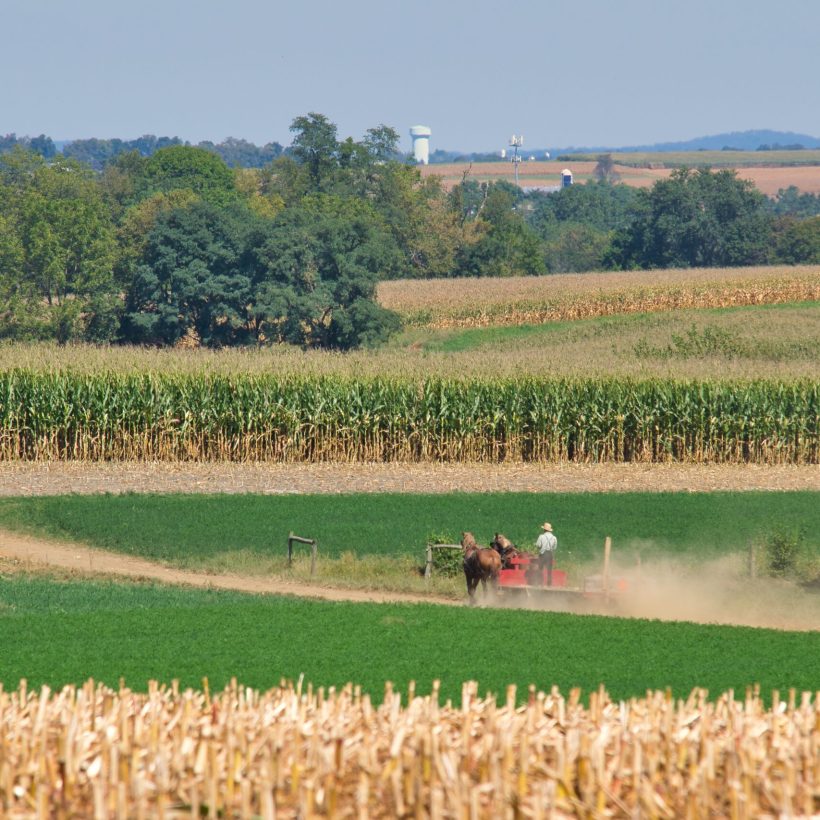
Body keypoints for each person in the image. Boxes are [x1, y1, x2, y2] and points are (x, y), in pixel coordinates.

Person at [535, 522, 557, 586]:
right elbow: (554, 547)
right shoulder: (554, 538)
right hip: (550, 554)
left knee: (540, 569)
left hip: (543, 554)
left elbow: (538, 545)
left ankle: (540, 583)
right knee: (549, 570)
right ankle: (549, 584)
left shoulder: (541, 536)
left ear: (544, 529)